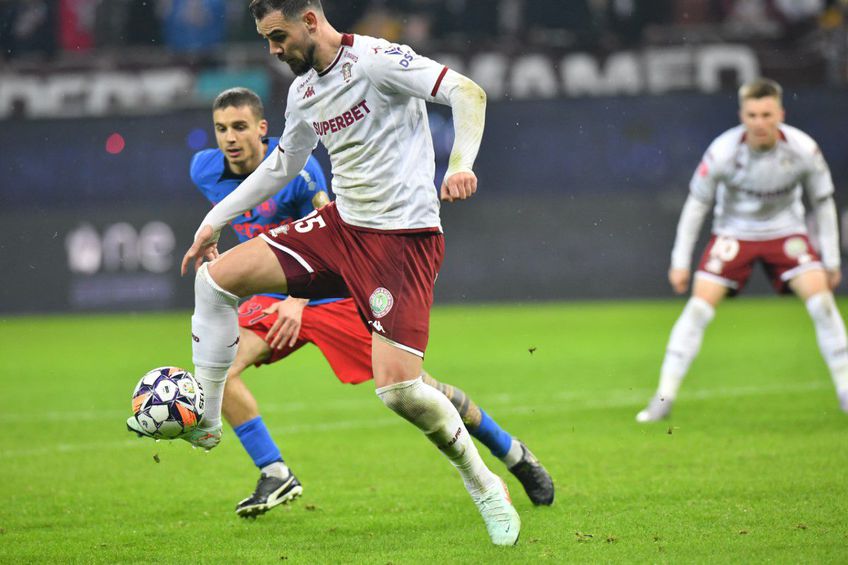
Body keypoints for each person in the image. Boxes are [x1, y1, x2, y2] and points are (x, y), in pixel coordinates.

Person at [176, 0, 513, 545]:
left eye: (278, 36)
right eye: (267, 39)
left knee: (400, 392)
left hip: (401, 241)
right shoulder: (303, 91)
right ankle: (209, 421)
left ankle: (483, 484)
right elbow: (281, 165)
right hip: (338, 229)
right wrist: (212, 222)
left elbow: (466, 91)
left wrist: (461, 165)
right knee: (213, 280)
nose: (274, 49)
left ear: (310, 21)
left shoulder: (378, 60)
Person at [187, 87, 554, 517]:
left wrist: (299, 301)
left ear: (262, 130)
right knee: (221, 370)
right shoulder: (204, 170)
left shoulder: (300, 174)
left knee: (417, 391)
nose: (229, 137)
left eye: (240, 127)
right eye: (221, 129)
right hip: (274, 299)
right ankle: (275, 471)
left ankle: (512, 453)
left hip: (336, 297)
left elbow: (332, 240)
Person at [636, 78, 848, 422]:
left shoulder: (804, 150)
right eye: (752, 115)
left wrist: (832, 260)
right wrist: (679, 262)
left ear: (781, 113)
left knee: (822, 301)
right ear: (741, 116)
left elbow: (823, 203)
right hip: (734, 234)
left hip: (786, 233)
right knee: (698, 309)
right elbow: (696, 206)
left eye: (766, 114)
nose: (760, 122)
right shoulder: (722, 152)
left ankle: (845, 390)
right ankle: (663, 397)